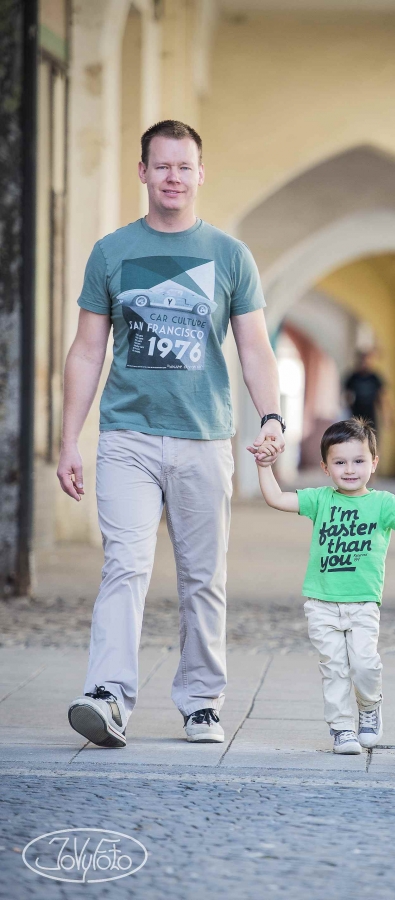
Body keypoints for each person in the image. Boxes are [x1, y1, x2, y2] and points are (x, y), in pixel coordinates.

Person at [58, 120, 285, 748]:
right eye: (162, 166)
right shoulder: (111, 252)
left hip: (204, 436)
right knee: (124, 565)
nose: (173, 178)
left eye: (184, 167)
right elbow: (86, 350)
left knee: (203, 576)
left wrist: (271, 417)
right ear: (142, 172)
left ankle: (202, 702)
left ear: (200, 173)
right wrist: (69, 439)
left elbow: (255, 348)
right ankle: (107, 695)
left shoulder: (230, 255)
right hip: (127, 435)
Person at [253, 418, 395, 754]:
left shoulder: (384, 503)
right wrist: (264, 466)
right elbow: (277, 498)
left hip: (363, 602)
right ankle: (341, 728)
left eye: (358, 461)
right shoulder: (320, 499)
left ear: (373, 463)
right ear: (325, 467)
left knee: (365, 665)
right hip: (321, 603)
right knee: (334, 668)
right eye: (339, 462)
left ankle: (369, 705)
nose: (350, 469)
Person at [344, 350, 389, 433]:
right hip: (356, 415)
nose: (364, 363)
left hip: (371, 415)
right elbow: (347, 395)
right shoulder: (353, 377)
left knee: (372, 436)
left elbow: (382, 397)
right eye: (362, 360)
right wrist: (349, 408)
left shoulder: (374, 378)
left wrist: (386, 416)